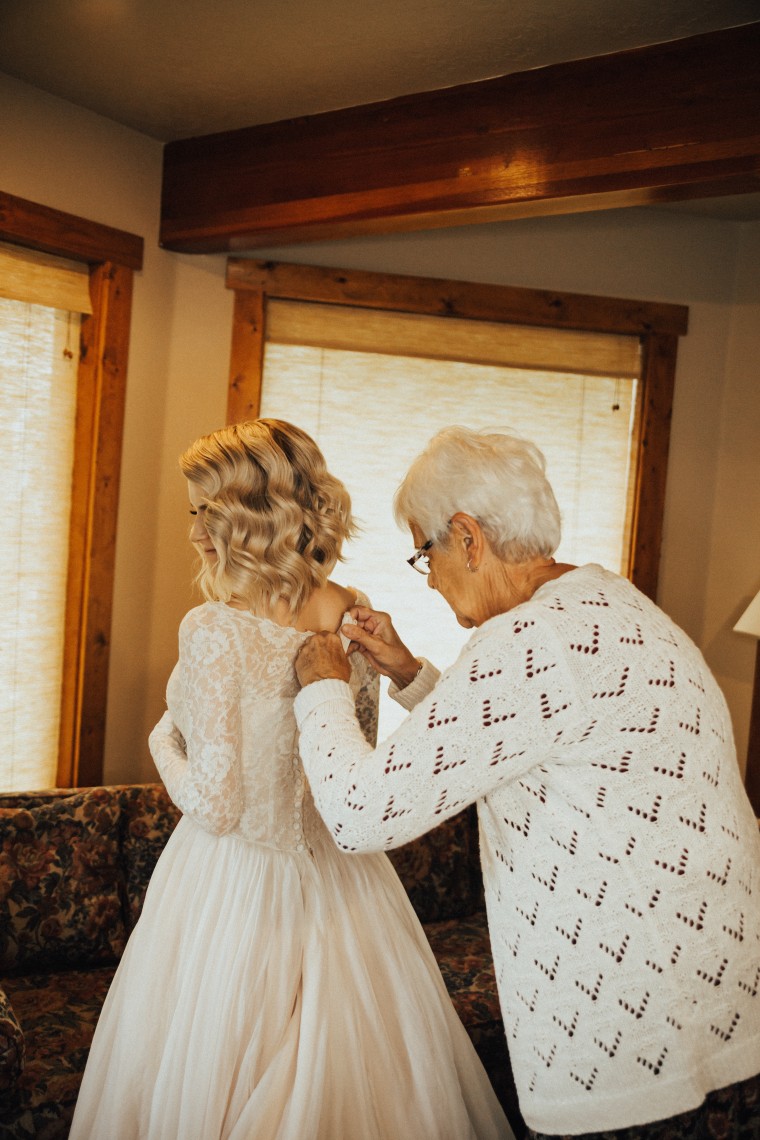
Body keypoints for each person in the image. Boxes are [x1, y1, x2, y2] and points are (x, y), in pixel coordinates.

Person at [294, 425, 760, 1140]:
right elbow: (540, 742)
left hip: (637, 1041)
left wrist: (323, 693)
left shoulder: (524, 641)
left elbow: (362, 815)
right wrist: (411, 675)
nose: (431, 573)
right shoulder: (606, 601)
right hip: (726, 1000)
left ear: (467, 537)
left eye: (426, 552)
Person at [69, 418, 511, 1140]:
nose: (193, 532)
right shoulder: (349, 609)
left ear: (248, 517)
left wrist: (159, 741)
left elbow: (214, 805)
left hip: (232, 885)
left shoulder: (214, 627)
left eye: (202, 512)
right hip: (347, 880)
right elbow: (353, 757)